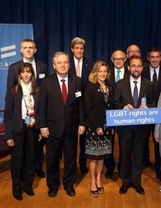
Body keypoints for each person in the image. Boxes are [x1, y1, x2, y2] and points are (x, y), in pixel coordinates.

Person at [38, 52, 86, 197]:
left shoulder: (77, 81)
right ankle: (52, 185)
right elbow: (42, 107)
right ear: (54, 65)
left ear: (69, 64)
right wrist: (43, 126)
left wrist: (82, 123)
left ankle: (69, 184)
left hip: (71, 127)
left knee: (71, 159)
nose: (63, 65)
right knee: (52, 159)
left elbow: (80, 104)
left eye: (65, 62)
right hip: (52, 128)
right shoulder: (46, 82)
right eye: (60, 63)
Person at [114, 55, 156, 195]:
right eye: (133, 66)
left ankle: (136, 182)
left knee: (138, 157)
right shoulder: (120, 84)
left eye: (139, 66)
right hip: (125, 128)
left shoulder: (149, 84)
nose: (136, 68)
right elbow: (115, 103)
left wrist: (148, 107)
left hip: (142, 129)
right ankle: (125, 182)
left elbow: (154, 102)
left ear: (142, 68)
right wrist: (124, 106)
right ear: (128, 67)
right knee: (125, 156)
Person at [7, 38, 48, 178]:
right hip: (21, 116)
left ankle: (36, 167)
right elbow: (10, 91)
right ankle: (23, 173)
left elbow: (45, 90)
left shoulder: (43, 66)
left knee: (36, 146)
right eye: (26, 47)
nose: (29, 50)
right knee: (22, 150)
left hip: (37, 114)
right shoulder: (14, 67)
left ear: (35, 50)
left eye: (31, 47)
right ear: (21, 50)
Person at [4, 63, 39, 200]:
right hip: (17, 130)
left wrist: (41, 128)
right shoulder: (13, 91)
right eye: (23, 72)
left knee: (30, 158)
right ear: (19, 74)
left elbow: (41, 112)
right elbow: (7, 116)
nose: (26, 74)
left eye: (28, 72)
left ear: (32, 74)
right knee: (17, 160)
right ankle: (16, 188)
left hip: (32, 128)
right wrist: (8, 135)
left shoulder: (37, 91)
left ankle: (28, 185)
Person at [85, 61, 114, 197]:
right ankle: (92, 181)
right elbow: (88, 109)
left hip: (107, 127)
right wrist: (97, 127)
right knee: (94, 156)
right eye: (100, 71)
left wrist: (111, 125)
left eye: (104, 71)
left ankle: (98, 179)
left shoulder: (109, 87)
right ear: (95, 72)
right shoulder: (90, 87)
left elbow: (112, 107)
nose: (102, 74)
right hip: (94, 128)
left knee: (102, 156)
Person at [142, 47, 161, 179]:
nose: (154, 59)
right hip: (145, 111)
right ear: (148, 58)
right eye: (152, 57)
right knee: (142, 140)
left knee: (159, 141)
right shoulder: (142, 71)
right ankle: (142, 164)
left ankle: (160, 169)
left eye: (157, 57)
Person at [69, 37, 95, 175]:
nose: (79, 50)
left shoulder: (90, 64)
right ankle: (71, 165)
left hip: (86, 105)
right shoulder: (66, 63)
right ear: (72, 49)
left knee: (84, 138)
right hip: (71, 106)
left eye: (82, 48)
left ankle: (83, 163)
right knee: (71, 139)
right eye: (77, 48)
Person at [105, 50, 130, 179]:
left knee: (124, 142)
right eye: (116, 59)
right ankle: (109, 167)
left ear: (125, 59)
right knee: (108, 141)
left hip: (125, 114)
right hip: (109, 113)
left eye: (121, 58)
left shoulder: (131, 73)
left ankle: (122, 167)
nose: (118, 61)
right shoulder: (105, 74)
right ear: (112, 59)